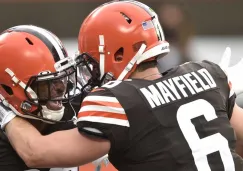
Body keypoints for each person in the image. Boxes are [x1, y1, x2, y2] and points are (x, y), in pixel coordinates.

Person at [2, 1, 243, 171]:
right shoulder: (208, 74)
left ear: (117, 55)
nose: (91, 72)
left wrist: (6, 113)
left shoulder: (116, 101)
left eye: (92, 62)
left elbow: (36, 152)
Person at [0, 25, 81, 171]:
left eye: (62, 77)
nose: (62, 87)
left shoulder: (74, 111)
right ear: (11, 88)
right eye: (47, 81)